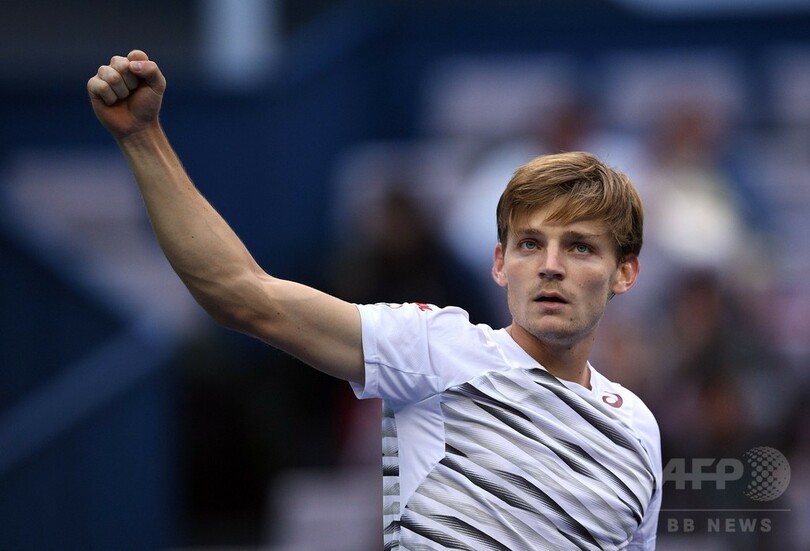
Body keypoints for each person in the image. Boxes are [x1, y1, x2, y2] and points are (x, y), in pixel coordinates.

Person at [88, 50, 662, 550]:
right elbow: (239, 294)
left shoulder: (638, 428)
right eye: (530, 244)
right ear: (498, 264)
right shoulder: (432, 349)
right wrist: (143, 138)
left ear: (625, 273)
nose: (551, 265)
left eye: (580, 247)